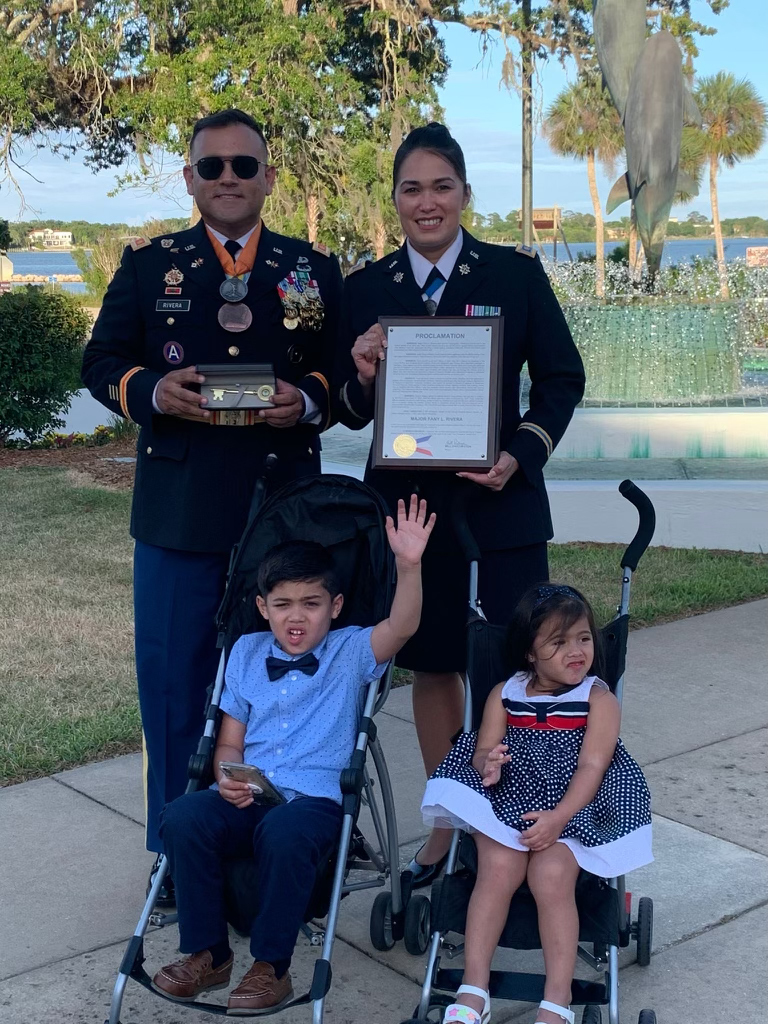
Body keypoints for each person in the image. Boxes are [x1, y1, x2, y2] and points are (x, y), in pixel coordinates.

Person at [81, 108, 343, 901]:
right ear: (190, 179)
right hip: (179, 513)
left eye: (242, 165)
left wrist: (308, 402)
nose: (227, 178)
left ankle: (285, 844)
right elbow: (102, 363)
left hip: (283, 512)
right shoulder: (148, 265)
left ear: (268, 176)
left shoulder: (307, 270)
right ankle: (175, 857)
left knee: (295, 685)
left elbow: (339, 376)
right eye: (211, 167)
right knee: (173, 685)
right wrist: (151, 391)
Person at [332, 122, 585, 886]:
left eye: (442, 186)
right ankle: (446, 831)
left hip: (501, 510)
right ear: (398, 200)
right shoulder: (365, 289)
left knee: (519, 672)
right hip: (411, 517)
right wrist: (363, 372)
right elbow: (347, 410)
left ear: (465, 195)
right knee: (432, 665)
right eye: (412, 188)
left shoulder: (513, 276)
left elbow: (562, 379)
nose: (427, 201)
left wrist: (523, 452)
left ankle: (518, 824)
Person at [151, 495, 435, 1012]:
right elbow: (230, 738)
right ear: (262, 608)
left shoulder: (351, 648)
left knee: (284, 831)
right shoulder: (245, 652)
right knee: (183, 816)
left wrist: (408, 565)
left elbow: (404, 627)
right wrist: (227, 775)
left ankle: (270, 965)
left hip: (313, 798)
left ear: (336, 605)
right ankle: (209, 953)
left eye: (311, 604)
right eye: (282, 605)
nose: (296, 617)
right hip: (248, 791)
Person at [420, 584, 653, 1024]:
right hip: (510, 799)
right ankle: (474, 989)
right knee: (499, 868)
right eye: (558, 642)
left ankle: (556, 1001)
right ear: (530, 652)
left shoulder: (597, 700)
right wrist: (488, 763)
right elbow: (481, 749)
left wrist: (559, 817)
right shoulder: (505, 694)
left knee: (550, 876)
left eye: (584, 638)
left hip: (576, 808)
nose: (576, 651)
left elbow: (593, 766)